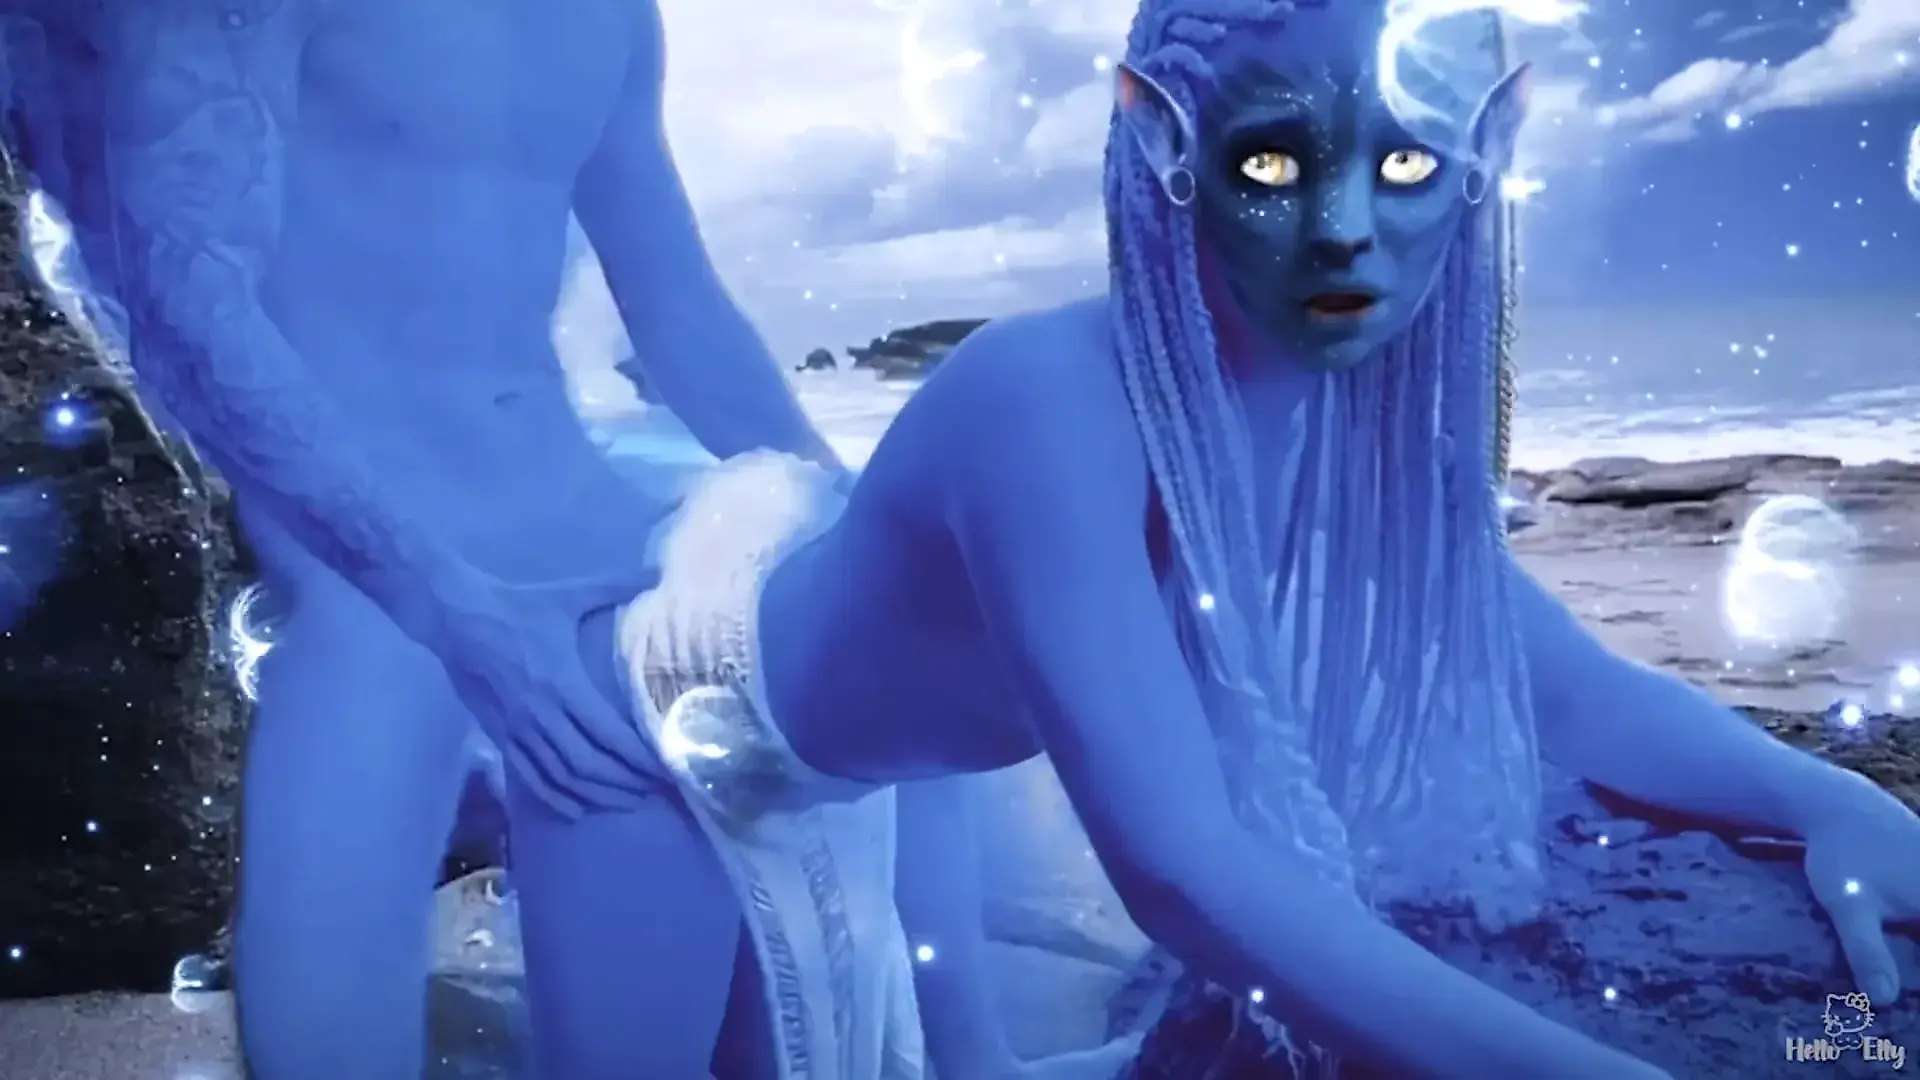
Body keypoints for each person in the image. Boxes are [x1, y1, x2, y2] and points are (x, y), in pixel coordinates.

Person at [588, 0, 1920, 1077]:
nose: (1343, 230)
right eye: (1273, 163)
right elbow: (1179, 868)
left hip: (918, 754)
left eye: (1407, 164)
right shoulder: (1039, 402)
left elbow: (1558, 683)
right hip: (680, 729)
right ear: (1162, 141)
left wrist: (1833, 801)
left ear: (1485, 155)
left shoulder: (1354, 437)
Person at [61, 0, 853, 1076]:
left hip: (563, 489)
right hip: (347, 523)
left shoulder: (611, 17)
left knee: (787, 695)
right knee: (378, 675)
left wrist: (858, 512)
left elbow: (679, 310)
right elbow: (189, 306)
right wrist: (449, 606)